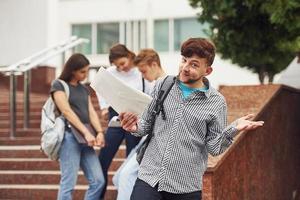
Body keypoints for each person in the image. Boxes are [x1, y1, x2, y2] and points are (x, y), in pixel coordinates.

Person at [119, 38, 264, 200]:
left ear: (207, 71)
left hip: (185, 188)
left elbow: (214, 147)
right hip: (149, 179)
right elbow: (145, 125)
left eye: (194, 64)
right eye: (184, 60)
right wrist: (134, 127)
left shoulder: (216, 102)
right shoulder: (163, 85)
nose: (185, 68)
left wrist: (234, 129)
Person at [97, 44, 152, 199]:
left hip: (136, 119)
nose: (121, 68)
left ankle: (130, 195)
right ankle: (99, 195)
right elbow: (100, 88)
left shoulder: (141, 73)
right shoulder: (110, 73)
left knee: (130, 161)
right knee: (103, 158)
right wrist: (103, 107)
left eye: (122, 63)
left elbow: (148, 97)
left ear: (129, 56)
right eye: (117, 66)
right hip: (116, 117)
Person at [112, 48, 166, 200]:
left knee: (125, 176)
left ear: (154, 64)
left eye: (143, 71)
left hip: (156, 142)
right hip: (146, 139)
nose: (142, 75)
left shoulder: (166, 85)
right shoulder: (156, 85)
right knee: (119, 178)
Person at [51, 53, 105, 200]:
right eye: (82, 71)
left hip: (86, 139)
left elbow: (92, 112)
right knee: (68, 184)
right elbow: (67, 112)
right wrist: (86, 132)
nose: (86, 75)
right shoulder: (59, 85)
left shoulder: (84, 89)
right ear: (72, 70)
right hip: (69, 137)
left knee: (98, 181)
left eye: (87, 71)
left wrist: (99, 132)